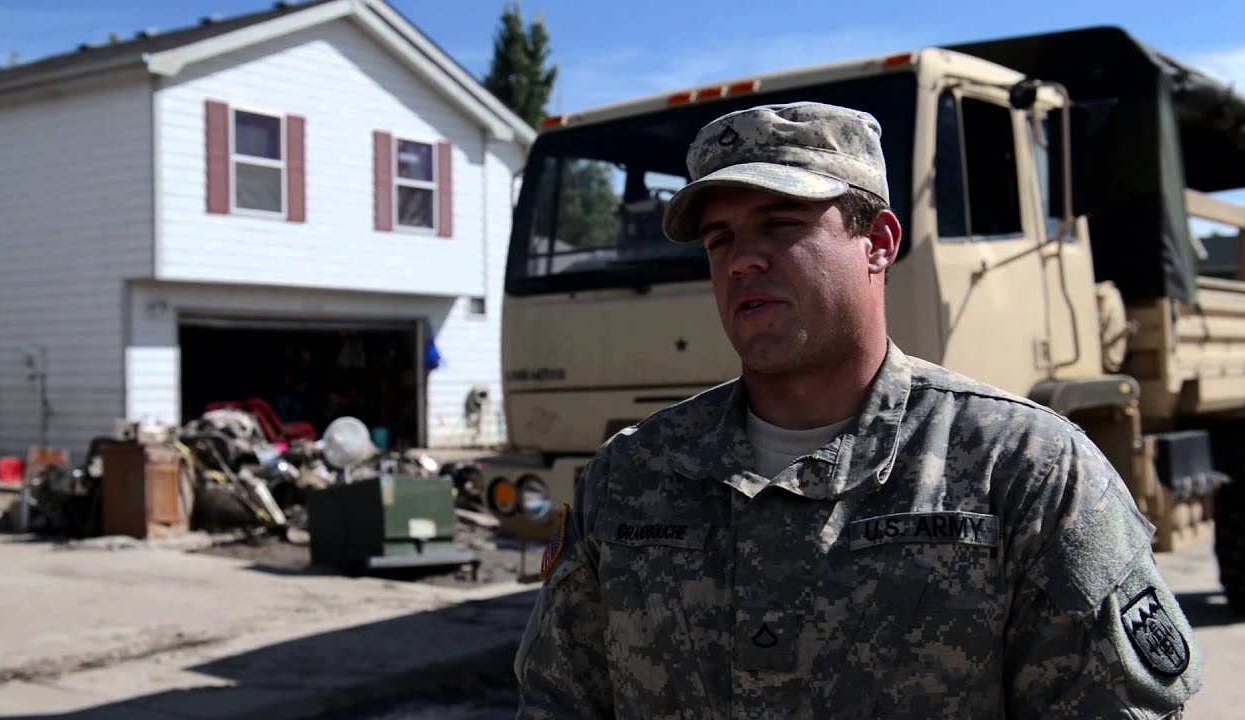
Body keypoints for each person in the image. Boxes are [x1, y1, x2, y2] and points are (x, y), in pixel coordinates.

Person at [512, 102, 1203, 719]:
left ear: (879, 243)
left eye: (780, 224)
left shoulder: (1024, 469)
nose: (742, 261)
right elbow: (556, 697)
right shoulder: (632, 474)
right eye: (719, 240)